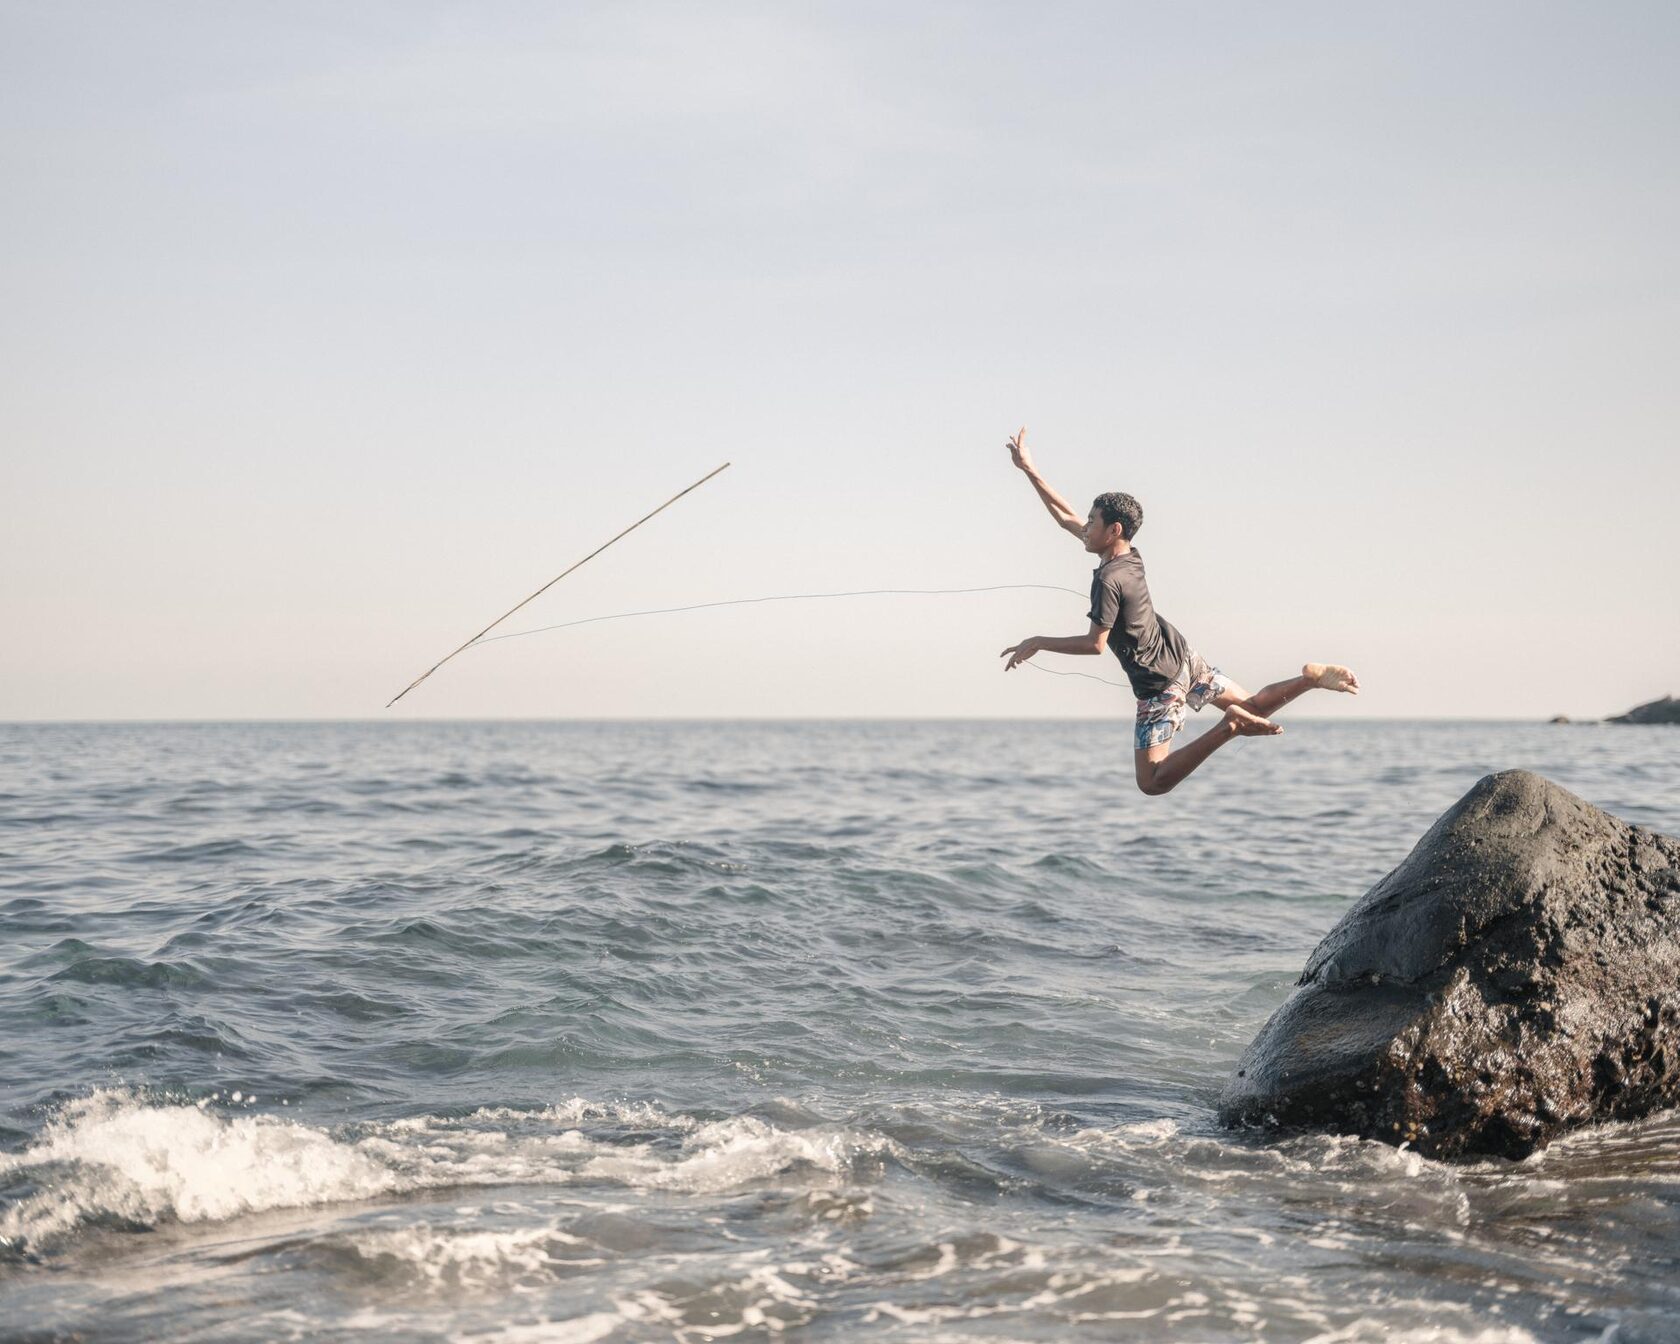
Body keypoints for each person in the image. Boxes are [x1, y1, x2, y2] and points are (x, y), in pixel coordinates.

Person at [1000, 428, 1359, 795]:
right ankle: (1310, 680)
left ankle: (1228, 727)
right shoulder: (1128, 557)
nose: (1086, 527)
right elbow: (1065, 516)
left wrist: (1038, 641)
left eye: (1093, 521)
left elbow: (1095, 644)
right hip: (1182, 656)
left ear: (1114, 530)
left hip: (1159, 683)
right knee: (1253, 706)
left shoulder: (1108, 579)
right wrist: (1030, 470)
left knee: (1153, 781)